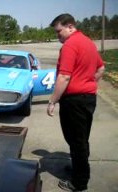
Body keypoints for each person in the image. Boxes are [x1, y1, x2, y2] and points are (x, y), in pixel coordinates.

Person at [47, 13, 105, 191]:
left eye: (59, 32)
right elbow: (101, 68)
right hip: (87, 99)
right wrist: (88, 83)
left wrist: (52, 100)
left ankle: (79, 182)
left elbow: (64, 76)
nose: (58, 36)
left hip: (74, 102)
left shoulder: (70, 45)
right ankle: (78, 170)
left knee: (76, 141)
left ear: (70, 26)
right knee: (81, 139)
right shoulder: (88, 42)